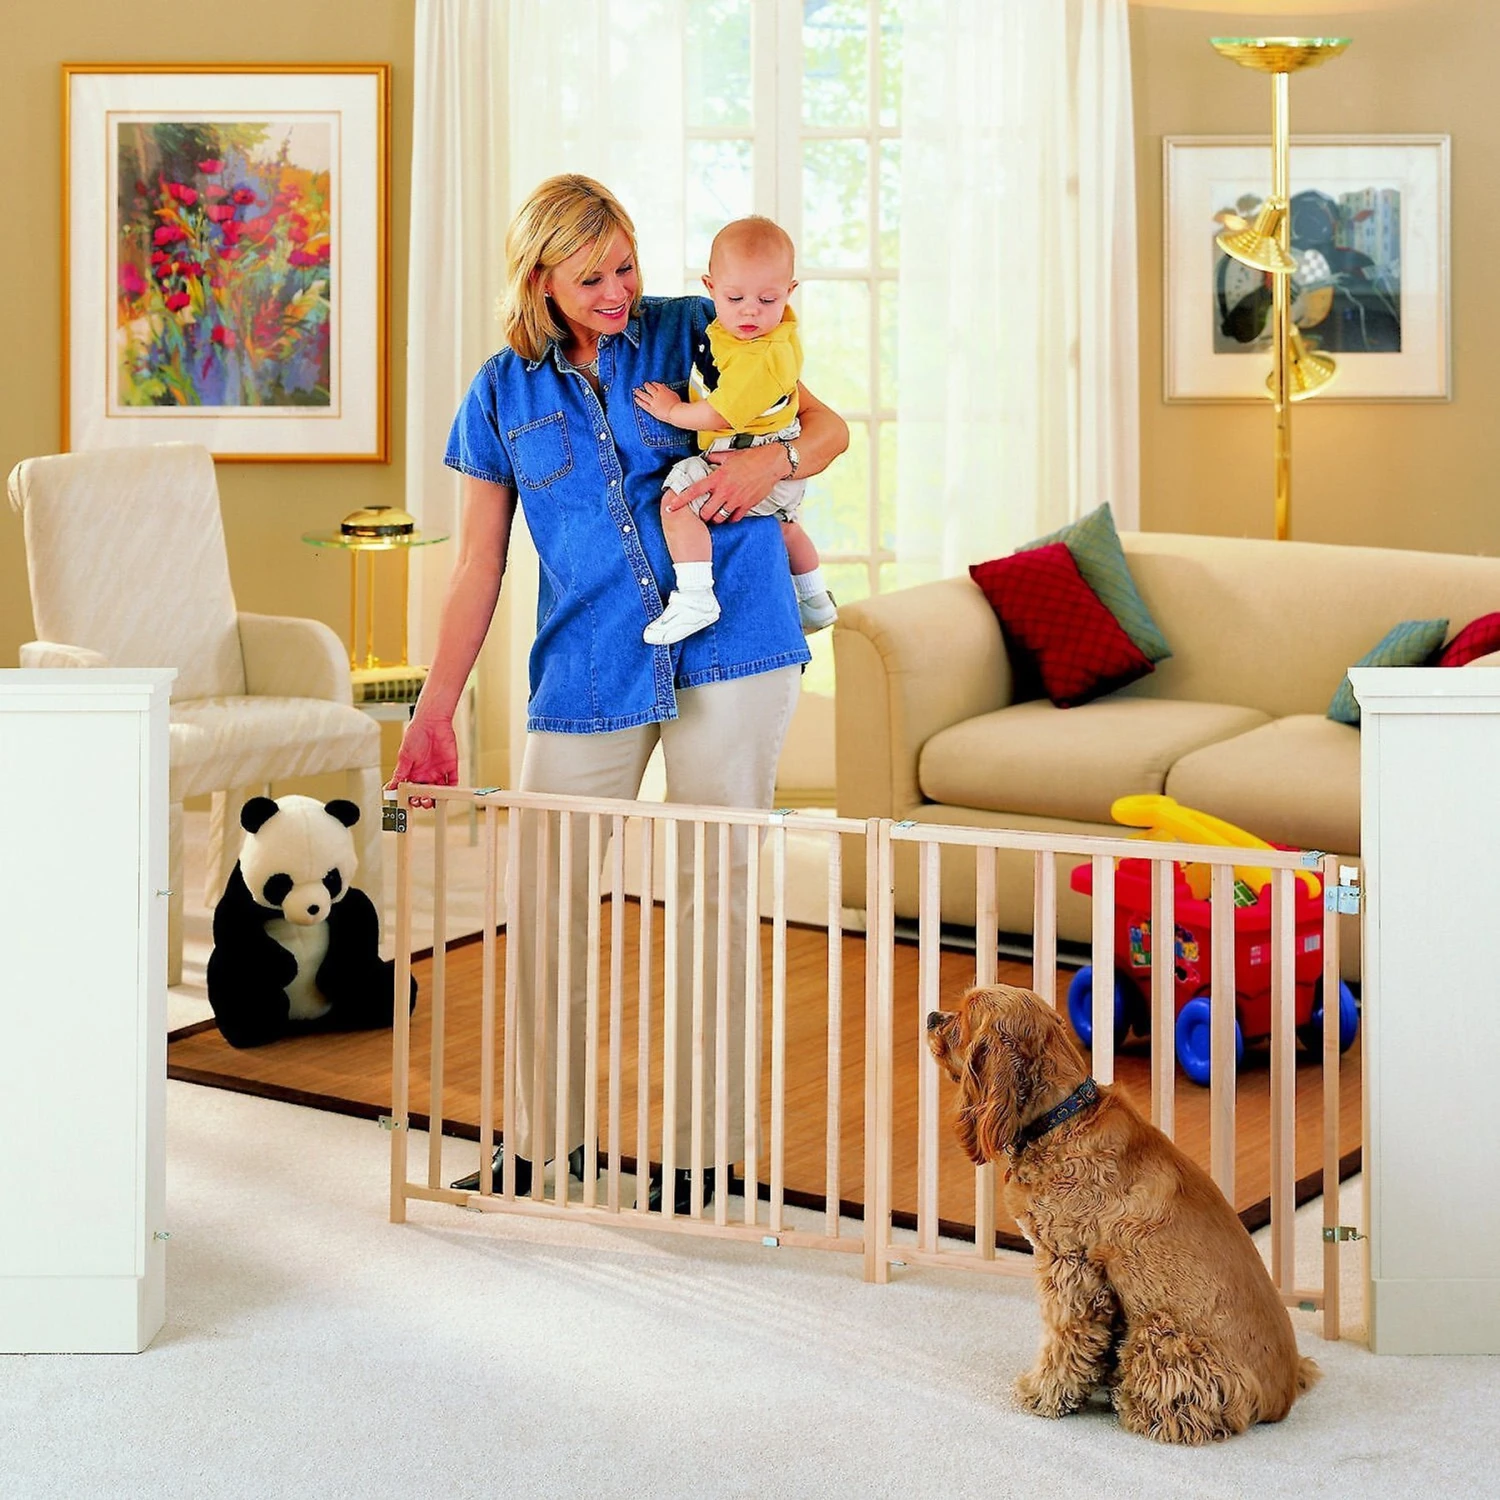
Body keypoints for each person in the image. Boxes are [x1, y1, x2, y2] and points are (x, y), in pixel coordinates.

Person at [388, 174, 848, 1215]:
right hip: (589, 659)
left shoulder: (694, 328)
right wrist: (435, 710)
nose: (616, 292)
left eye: (626, 267)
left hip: (733, 634)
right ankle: (540, 1147)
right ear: (540, 279)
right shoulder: (500, 393)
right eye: (590, 277)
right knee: (543, 892)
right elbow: (478, 566)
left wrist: (766, 465)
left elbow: (827, 432)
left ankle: (698, 1160)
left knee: (711, 888)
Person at [632, 216, 836, 646]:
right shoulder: (753, 334)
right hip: (777, 463)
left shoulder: (761, 355)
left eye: (767, 299)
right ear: (710, 286)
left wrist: (672, 409)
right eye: (735, 297)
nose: (749, 310)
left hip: (755, 454)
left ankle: (695, 597)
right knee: (785, 527)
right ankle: (816, 598)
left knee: (676, 500)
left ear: (789, 292)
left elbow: (720, 415)